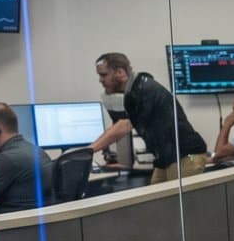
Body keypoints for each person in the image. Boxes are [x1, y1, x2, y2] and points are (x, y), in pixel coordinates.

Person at [86, 52, 209, 184]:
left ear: (120, 72)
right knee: (155, 202)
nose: (101, 80)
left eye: (104, 75)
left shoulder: (144, 89)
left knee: (173, 203)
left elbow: (125, 125)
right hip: (166, 159)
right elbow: (121, 126)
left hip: (187, 156)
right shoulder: (133, 91)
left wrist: (89, 150)